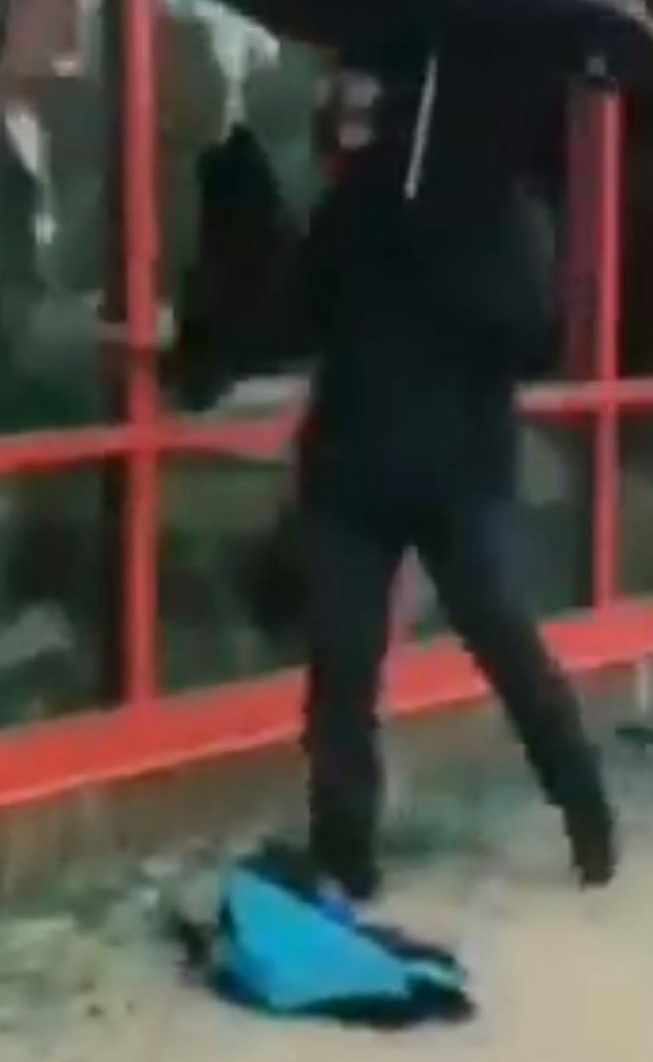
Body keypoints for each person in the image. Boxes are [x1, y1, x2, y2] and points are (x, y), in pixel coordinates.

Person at [180, 58, 617, 901]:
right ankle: (345, 856)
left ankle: (585, 811)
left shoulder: (506, 209)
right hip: (352, 475)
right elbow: (294, 316)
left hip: (461, 478)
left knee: (503, 639)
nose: (375, 131)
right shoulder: (355, 206)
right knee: (340, 669)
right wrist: (195, 350)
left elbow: (537, 340)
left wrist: (455, 265)